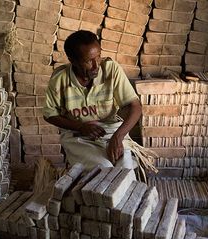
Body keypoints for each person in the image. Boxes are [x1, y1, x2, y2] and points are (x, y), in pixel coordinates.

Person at [43, 30, 142, 170]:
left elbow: (135, 106)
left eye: (99, 57)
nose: (96, 66)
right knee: (104, 168)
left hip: (111, 131)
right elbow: (49, 115)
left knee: (125, 167)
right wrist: (80, 127)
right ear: (73, 61)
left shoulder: (110, 69)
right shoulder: (60, 79)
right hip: (78, 136)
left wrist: (118, 136)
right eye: (89, 61)